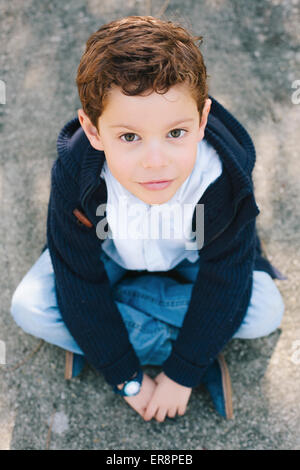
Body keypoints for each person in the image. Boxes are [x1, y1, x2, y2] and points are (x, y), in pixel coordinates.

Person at [10, 15, 286, 423]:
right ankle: (183, 336)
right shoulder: (77, 170)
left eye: (176, 133)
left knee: (265, 312)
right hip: (113, 257)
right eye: (129, 137)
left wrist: (181, 374)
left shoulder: (221, 178)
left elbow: (225, 275)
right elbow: (77, 271)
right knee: (28, 307)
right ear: (93, 130)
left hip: (192, 262)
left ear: (202, 120)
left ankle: (103, 325)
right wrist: (127, 377)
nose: (156, 161)